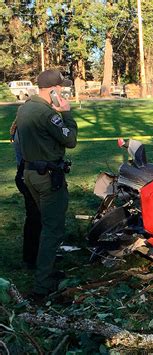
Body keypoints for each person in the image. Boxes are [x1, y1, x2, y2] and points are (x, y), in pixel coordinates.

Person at [15, 69, 78, 298]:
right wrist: (66, 114)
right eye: (61, 88)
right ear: (53, 90)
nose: (63, 91)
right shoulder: (46, 114)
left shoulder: (26, 108)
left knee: (44, 224)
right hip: (48, 177)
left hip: (31, 172)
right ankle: (42, 285)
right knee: (53, 229)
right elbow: (70, 140)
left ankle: (46, 269)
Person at [10, 120, 42, 269]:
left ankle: (36, 254)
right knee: (34, 218)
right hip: (26, 176)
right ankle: (31, 258)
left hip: (24, 175)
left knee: (36, 218)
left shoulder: (21, 128)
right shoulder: (24, 130)